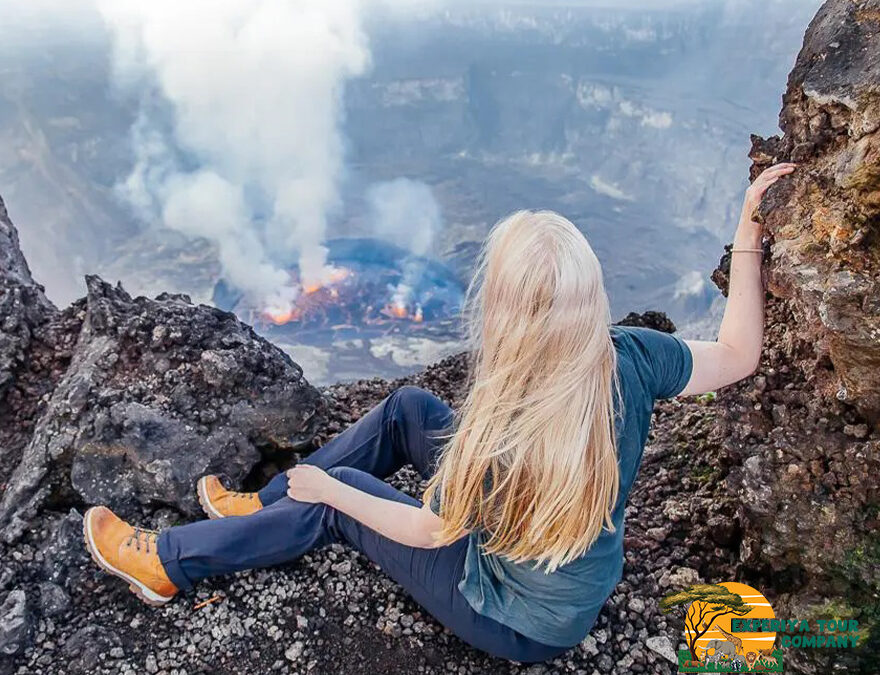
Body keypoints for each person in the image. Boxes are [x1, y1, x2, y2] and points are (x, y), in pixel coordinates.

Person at [82, 163, 795, 663]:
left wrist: (332, 489)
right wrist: (750, 233)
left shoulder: (503, 424)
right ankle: (257, 508)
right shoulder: (631, 357)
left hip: (520, 620)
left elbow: (430, 528)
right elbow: (738, 353)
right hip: (569, 580)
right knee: (408, 410)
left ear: (506, 310)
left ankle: (172, 563)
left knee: (343, 502)